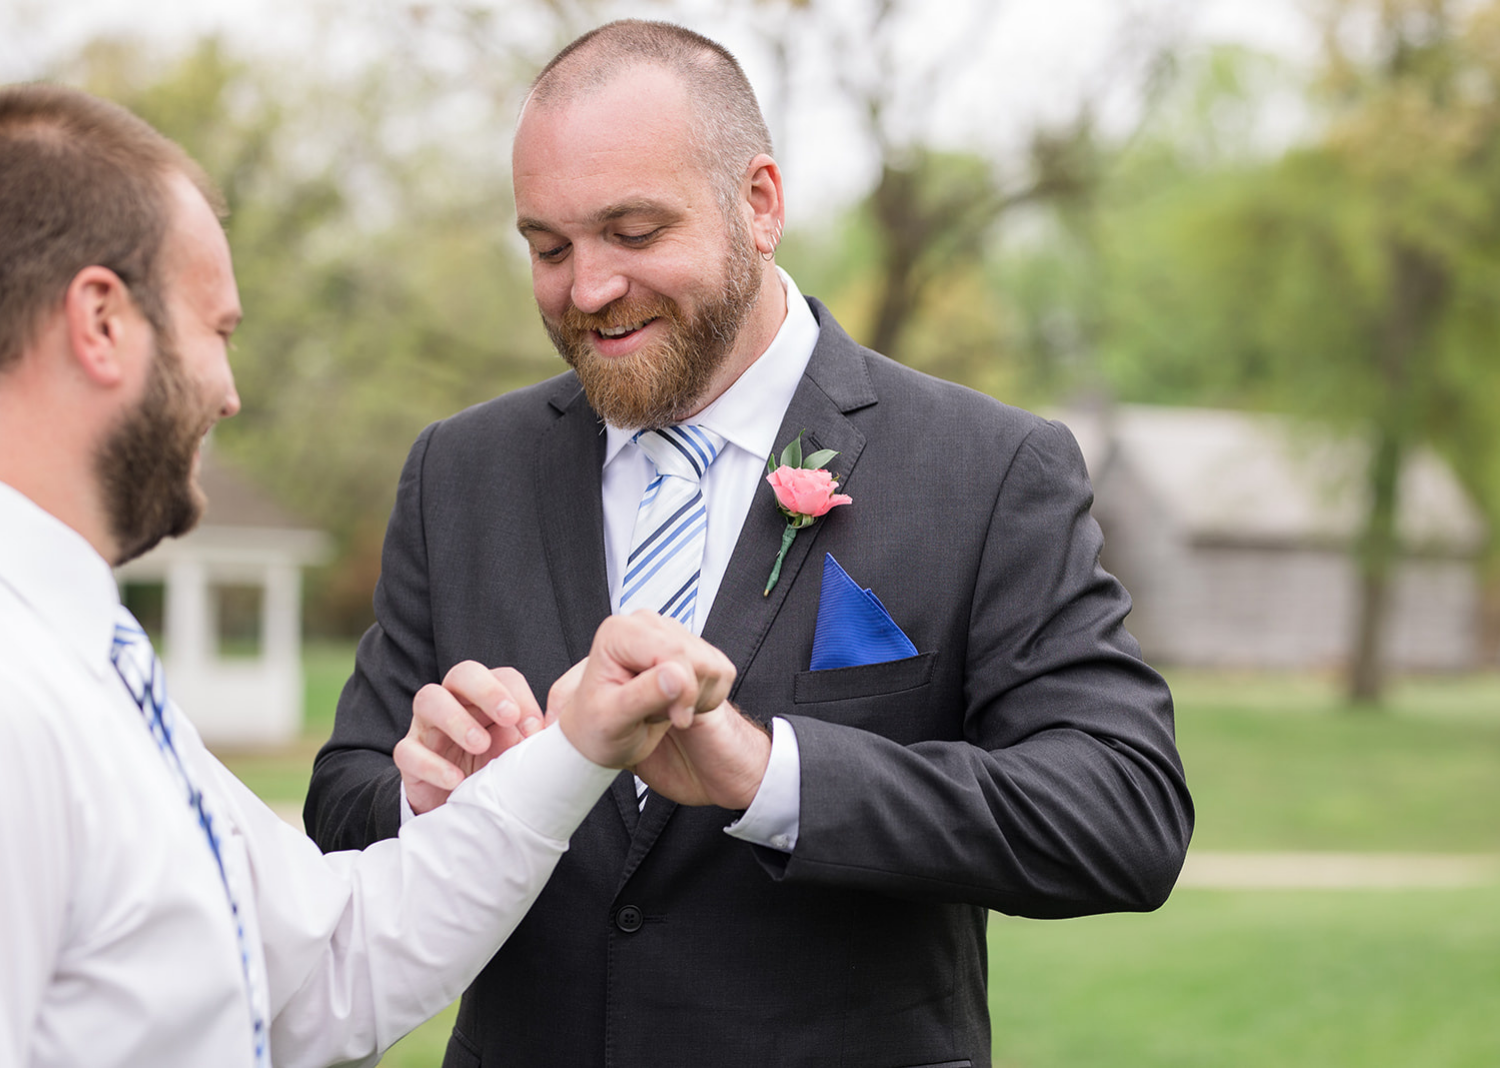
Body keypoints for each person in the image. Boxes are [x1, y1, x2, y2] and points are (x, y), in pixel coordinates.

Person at [305, 19, 1194, 1068]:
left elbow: (1124, 815)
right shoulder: (461, 472)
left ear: (759, 204)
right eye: (548, 247)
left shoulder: (988, 471)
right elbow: (344, 806)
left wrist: (773, 777)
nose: (586, 289)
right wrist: (431, 792)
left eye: (633, 234)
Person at [0, 82, 738, 1068]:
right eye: (217, 331)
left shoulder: (84, 659)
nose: (229, 392)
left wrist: (573, 745)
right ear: (100, 322)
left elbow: (329, 965)